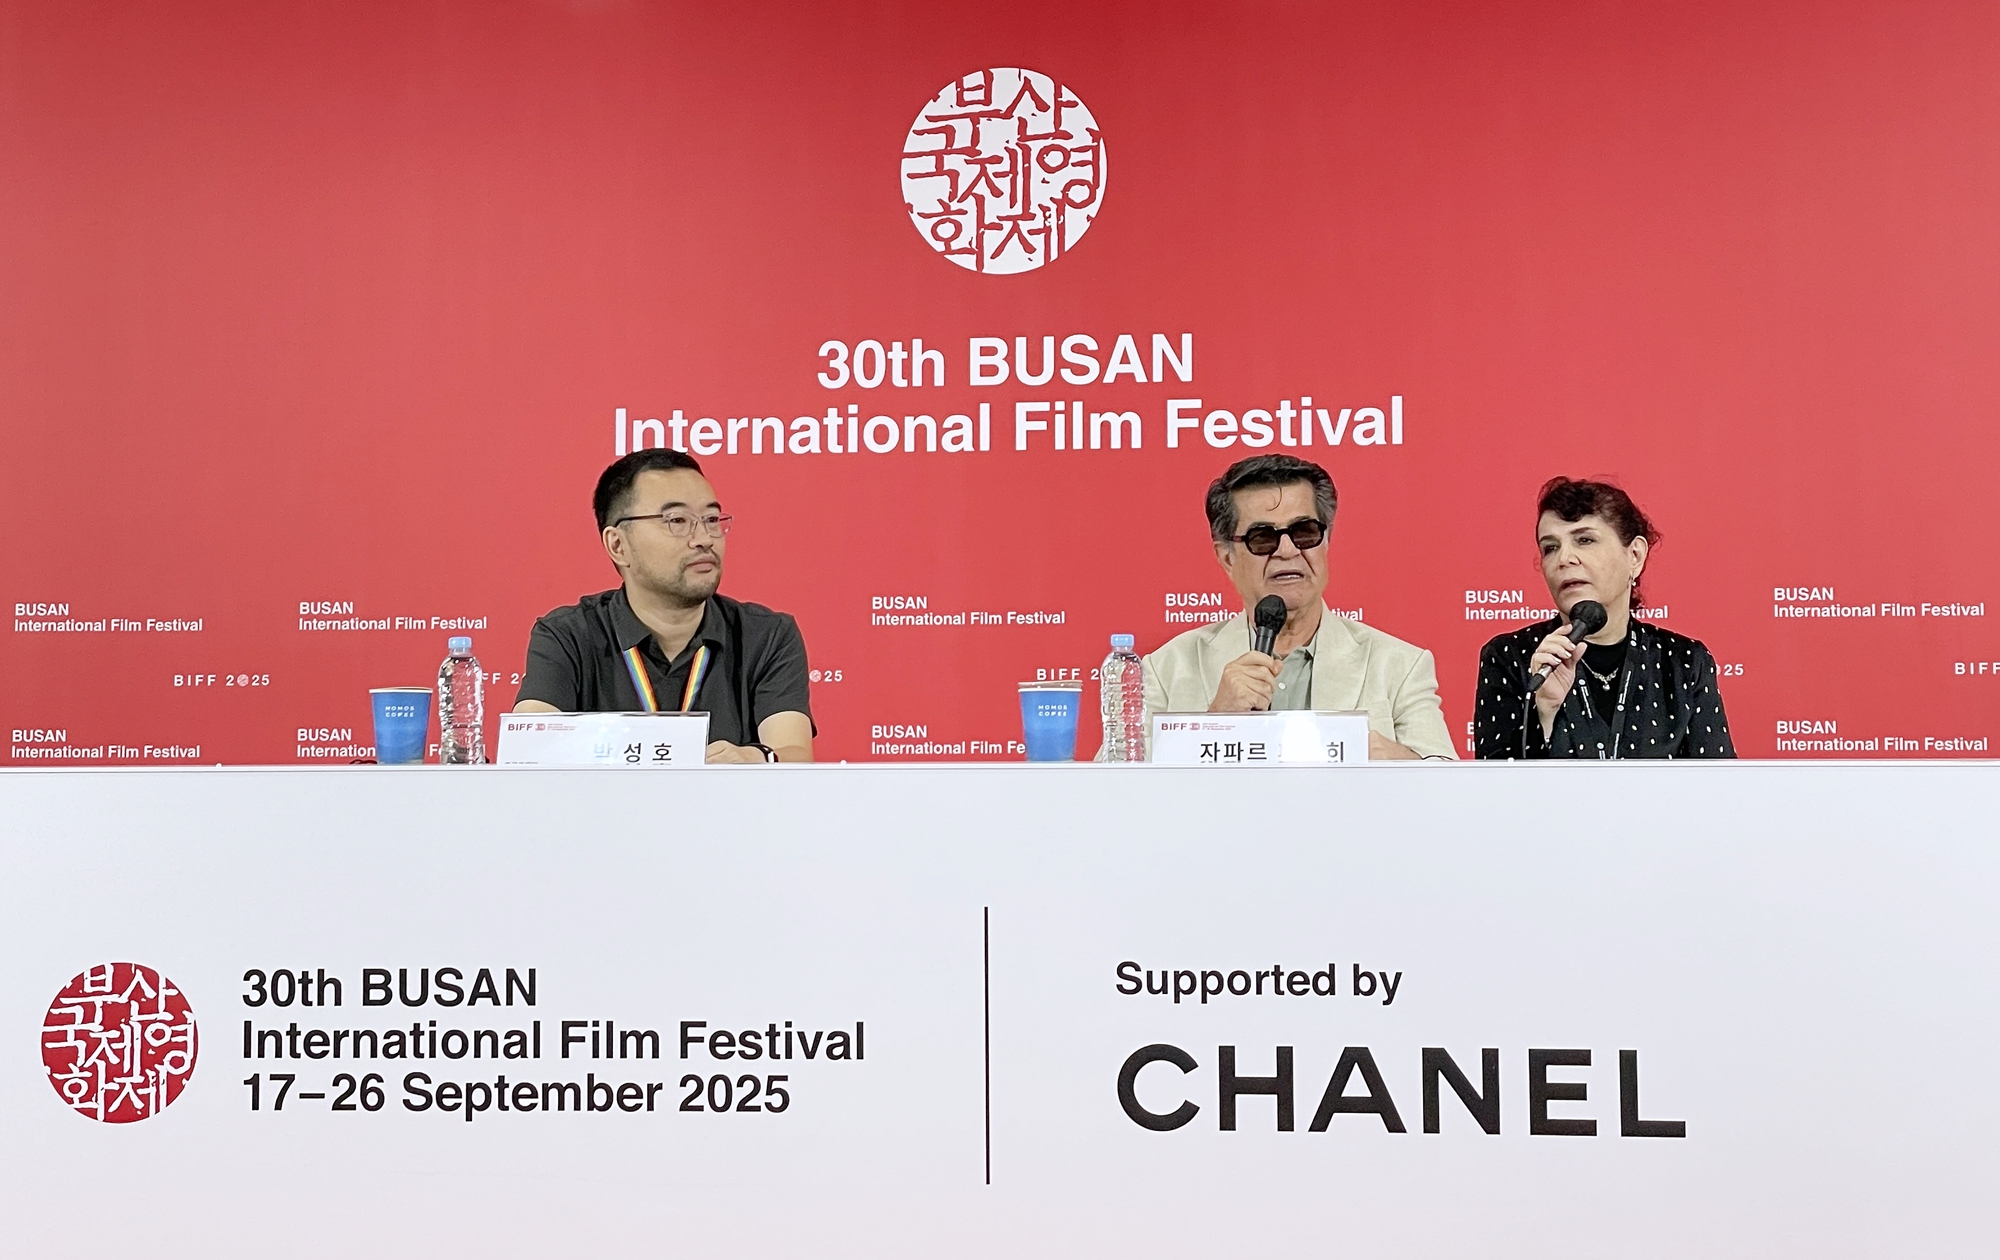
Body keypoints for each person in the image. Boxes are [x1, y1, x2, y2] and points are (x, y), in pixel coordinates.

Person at [1134, 454, 1455, 760]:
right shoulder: (1167, 669)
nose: (1287, 550)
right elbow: (1117, 791)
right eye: (1263, 538)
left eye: (1304, 533)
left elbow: (1451, 789)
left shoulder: (1399, 665)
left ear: (1325, 541)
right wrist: (1217, 723)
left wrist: (1396, 762)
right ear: (1227, 557)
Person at [514, 449, 813, 763]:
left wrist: (754, 759)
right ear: (618, 545)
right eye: (677, 521)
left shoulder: (766, 636)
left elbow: (795, 753)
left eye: (711, 519)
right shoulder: (567, 636)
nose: (704, 538)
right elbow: (529, 751)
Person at [1474, 477, 1733, 759]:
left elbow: (1719, 789)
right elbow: (1497, 793)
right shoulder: (1510, 657)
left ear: (1635, 555)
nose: (1564, 558)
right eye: (1550, 547)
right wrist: (1545, 712)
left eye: (1584, 540)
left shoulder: (1684, 662)